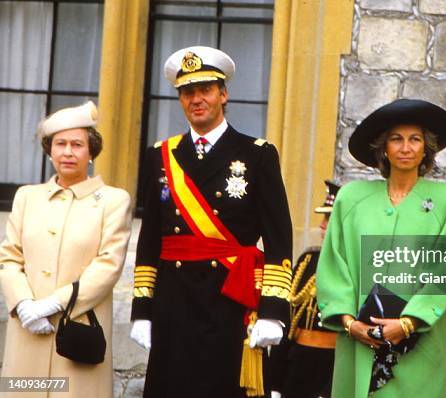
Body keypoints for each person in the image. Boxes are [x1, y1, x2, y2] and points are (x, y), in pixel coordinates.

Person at [129, 46, 293, 397]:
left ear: (223, 94)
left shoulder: (257, 154)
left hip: (230, 301)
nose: (196, 99)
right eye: (188, 92)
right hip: (173, 303)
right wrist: (142, 309)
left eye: (205, 90)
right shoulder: (160, 155)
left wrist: (273, 310)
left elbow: (279, 239)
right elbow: (150, 240)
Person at [316, 99, 446, 397]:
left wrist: (409, 323)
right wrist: (350, 323)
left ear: (427, 148)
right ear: (383, 147)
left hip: (421, 344)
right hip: (360, 340)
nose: (406, 147)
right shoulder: (351, 198)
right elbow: (335, 263)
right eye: (396, 139)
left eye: (415, 139)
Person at [0, 101, 132, 397]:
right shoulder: (27, 197)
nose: (68, 152)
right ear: (49, 151)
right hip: (28, 330)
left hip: (78, 331)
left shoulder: (113, 200)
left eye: (77, 144)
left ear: (91, 152)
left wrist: (55, 303)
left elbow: (108, 264)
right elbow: (9, 258)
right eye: (60, 144)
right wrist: (24, 305)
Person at [273, 180, 341, 398]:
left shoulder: (357, 269)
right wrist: (274, 381)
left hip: (332, 365)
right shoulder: (308, 261)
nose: (321, 225)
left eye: (328, 219)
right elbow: (288, 322)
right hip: (298, 364)